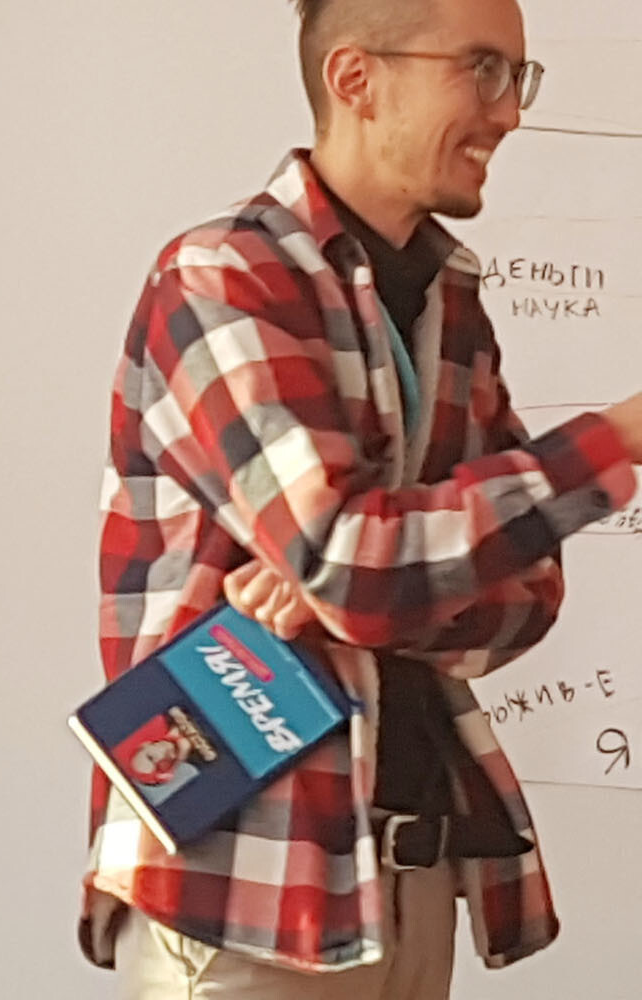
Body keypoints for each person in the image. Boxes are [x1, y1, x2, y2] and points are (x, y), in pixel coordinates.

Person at [87, 0, 642, 996]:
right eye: (482, 69)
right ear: (356, 78)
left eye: (516, 76)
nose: (509, 111)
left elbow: (526, 596)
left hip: (415, 871)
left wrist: (345, 589)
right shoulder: (222, 276)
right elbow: (359, 565)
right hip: (244, 889)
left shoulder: (450, 300)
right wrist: (619, 439)